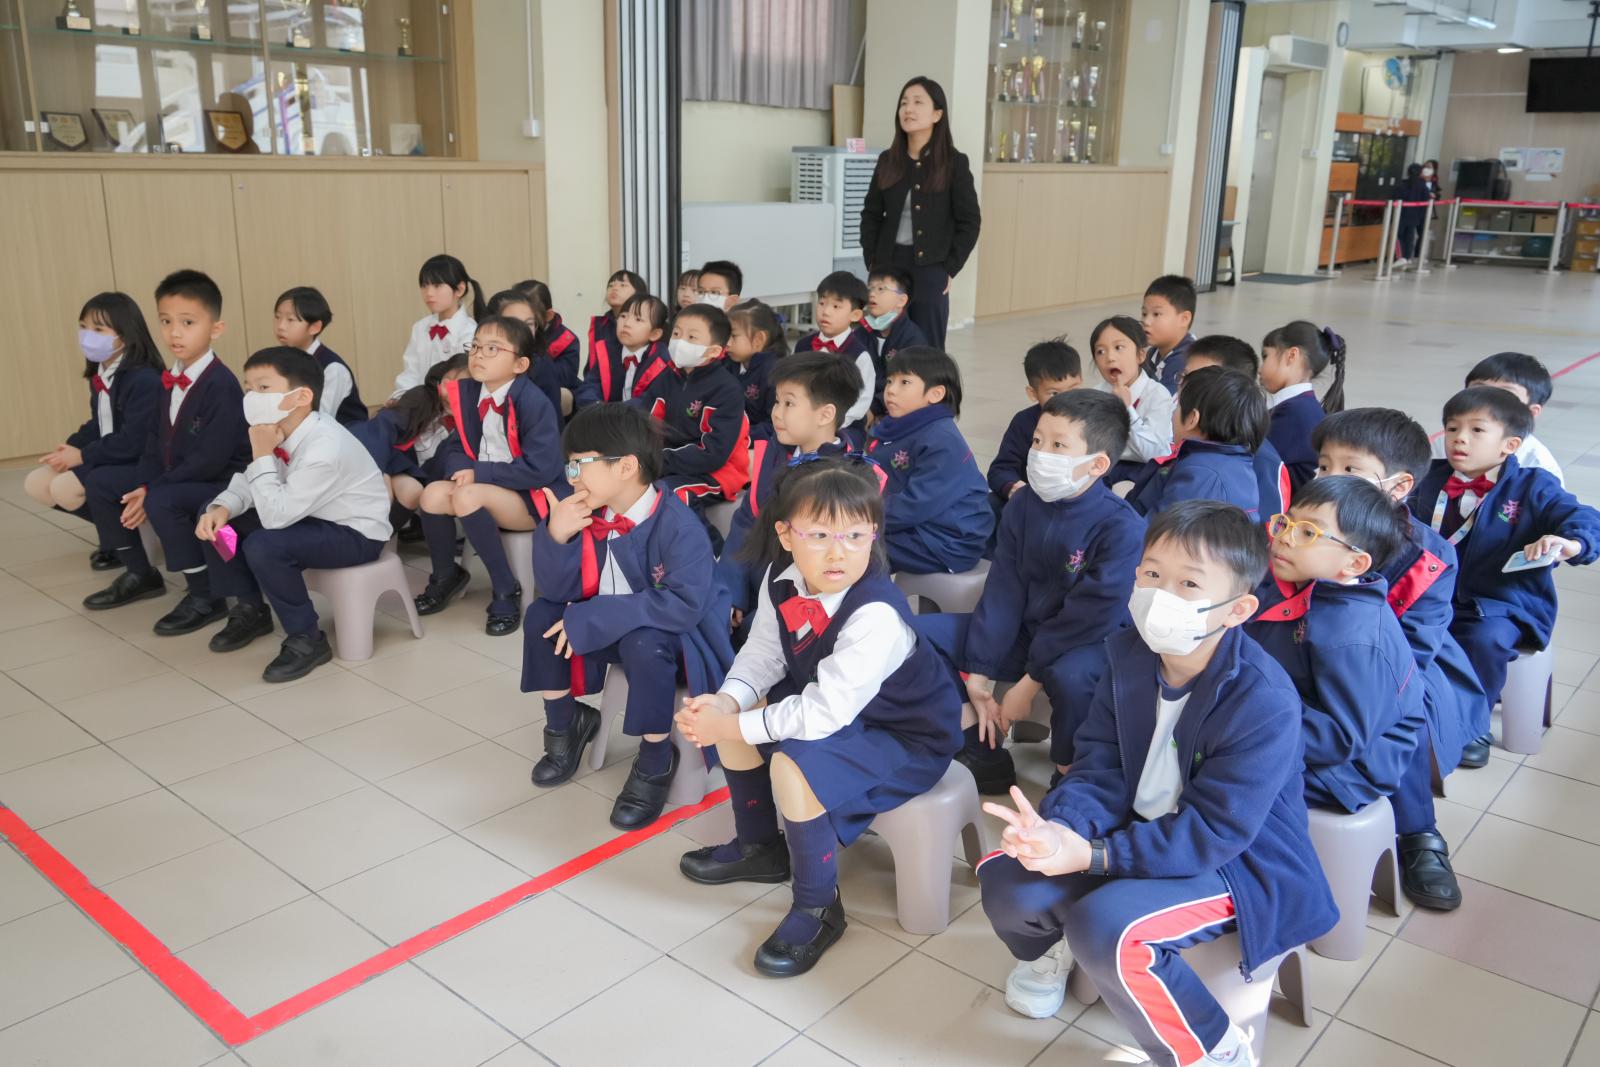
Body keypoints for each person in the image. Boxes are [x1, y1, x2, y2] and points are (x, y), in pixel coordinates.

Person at [978, 500, 1337, 1067]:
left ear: (1238, 609)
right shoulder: (1127, 654)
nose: (1160, 594)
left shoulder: (1262, 698)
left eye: (1189, 583)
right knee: (1007, 877)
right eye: (1151, 574)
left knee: (1107, 927)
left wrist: (1093, 856)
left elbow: (1215, 832)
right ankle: (1050, 949)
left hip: (1238, 863)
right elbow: (1099, 766)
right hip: (1139, 828)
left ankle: (1215, 1051)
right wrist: (1061, 831)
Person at [676, 459, 963, 977]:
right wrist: (727, 702)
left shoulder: (874, 613)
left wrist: (729, 724)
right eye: (820, 534)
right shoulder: (780, 577)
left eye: (855, 535)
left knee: (793, 765)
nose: (838, 552)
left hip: (906, 735)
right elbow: (764, 653)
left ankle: (818, 905)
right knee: (741, 715)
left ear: (873, 535)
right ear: (786, 535)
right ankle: (761, 847)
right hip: (837, 707)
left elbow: (823, 714)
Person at [522, 403, 734, 828]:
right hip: (610, 625)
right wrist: (556, 535)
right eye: (569, 467)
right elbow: (558, 591)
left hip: (674, 640)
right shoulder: (588, 510)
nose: (572, 477)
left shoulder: (679, 526)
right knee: (541, 615)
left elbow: (681, 608)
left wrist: (596, 615)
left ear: (626, 466)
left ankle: (655, 757)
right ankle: (565, 724)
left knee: (644, 642)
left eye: (580, 465)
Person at [1312, 408, 1487, 909]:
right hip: (1305, 657)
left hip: (1392, 670)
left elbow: (1413, 650)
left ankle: (1418, 833)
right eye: (1323, 466)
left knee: (1401, 712)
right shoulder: (1301, 528)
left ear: (1398, 486)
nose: (1329, 480)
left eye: (1351, 469)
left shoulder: (1428, 555)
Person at [958, 390, 1143, 791]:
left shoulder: (1121, 528)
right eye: (1038, 441)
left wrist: (1028, 683)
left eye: (1058, 445)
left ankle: (1070, 775)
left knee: (1073, 678)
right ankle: (980, 749)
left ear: (1097, 464)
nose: (1040, 454)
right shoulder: (1023, 504)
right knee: (928, 640)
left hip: (1087, 640)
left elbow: (1090, 618)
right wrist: (980, 671)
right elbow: (1004, 589)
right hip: (1027, 631)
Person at [192, 347, 391, 679]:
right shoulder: (277, 428)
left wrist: (261, 453)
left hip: (355, 533)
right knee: (216, 518)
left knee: (265, 545)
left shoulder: (324, 447)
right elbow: (253, 482)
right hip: (306, 513)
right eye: (248, 388)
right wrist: (222, 506)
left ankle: (307, 637)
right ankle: (250, 606)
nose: (252, 397)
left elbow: (275, 517)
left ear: (302, 396)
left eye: (263, 388)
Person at [1412, 386, 1600, 715]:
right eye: (1452, 428)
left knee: (1484, 640)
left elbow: (1583, 517)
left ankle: (1469, 724)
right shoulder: (1427, 477)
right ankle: (1406, 713)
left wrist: (1572, 543)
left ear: (1510, 445)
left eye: (1477, 430)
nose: (1459, 438)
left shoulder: (1533, 485)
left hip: (1499, 604)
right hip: (1429, 595)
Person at [1248, 477, 1426, 821]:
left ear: (1355, 564)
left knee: (1216, 771)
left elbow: (1343, 738)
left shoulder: (1353, 636)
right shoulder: (1301, 585)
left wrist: (1249, 721)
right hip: (1289, 720)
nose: (1285, 537)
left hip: (1348, 771)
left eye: (1308, 532)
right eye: (1287, 523)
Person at [82, 270, 250, 622]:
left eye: (187, 322)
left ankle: (207, 594)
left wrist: (152, 488)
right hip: (181, 475)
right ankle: (139, 572)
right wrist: (144, 481)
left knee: (163, 500)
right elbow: (154, 444)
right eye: (166, 321)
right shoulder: (168, 380)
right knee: (101, 482)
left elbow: (209, 459)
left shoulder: (221, 384)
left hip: (223, 481)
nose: (174, 332)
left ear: (215, 328)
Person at [414, 316, 565, 636]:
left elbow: (542, 469)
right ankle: (446, 575)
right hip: (486, 489)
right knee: (431, 494)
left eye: (493, 349)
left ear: (520, 364)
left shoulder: (533, 402)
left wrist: (478, 473)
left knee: (467, 495)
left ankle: (506, 588)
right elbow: (456, 446)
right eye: (476, 346)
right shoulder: (470, 394)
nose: (479, 355)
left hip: (533, 497)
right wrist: (460, 469)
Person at [716, 353, 864, 635]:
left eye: (789, 403)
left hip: (804, 604)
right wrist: (732, 591)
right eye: (777, 401)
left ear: (825, 414)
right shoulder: (774, 453)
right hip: (756, 584)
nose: (776, 413)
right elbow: (745, 523)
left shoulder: (847, 479)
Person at [27, 292, 164, 570]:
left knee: (66, 489)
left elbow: (134, 441)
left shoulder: (143, 379)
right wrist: (69, 448)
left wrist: (82, 456)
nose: (88, 336)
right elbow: (99, 423)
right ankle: (117, 534)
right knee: (37, 483)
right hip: (114, 452)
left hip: (139, 459)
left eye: (99, 329)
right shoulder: (102, 372)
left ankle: (129, 540)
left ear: (125, 334)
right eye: (83, 327)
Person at [860, 76, 981, 348]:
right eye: (904, 103)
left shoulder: (954, 163)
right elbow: (871, 215)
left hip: (931, 269)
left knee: (927, 349)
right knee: (883, 345)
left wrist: (949, 267)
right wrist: (873, 261)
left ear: (937, 114)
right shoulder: (888, 160)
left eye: (917, 102)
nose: (908, 109)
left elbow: (970, 221)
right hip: (888, 267)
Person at [868, 346, 993, 574]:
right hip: (917, 525)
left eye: (904, 382)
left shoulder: (942, 440)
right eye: (890, 381)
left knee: (854, 547)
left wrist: (858, 518)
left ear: (935, 394)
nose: (891, 390)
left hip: (947, 540)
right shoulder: (897, 426)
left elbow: (915, 504)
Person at [635, 303, 750, 514]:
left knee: (669, 494)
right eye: (676, 334)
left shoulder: (726, 389)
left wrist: (657, 460)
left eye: (691, 337)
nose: (680, 342)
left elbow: (714, 453)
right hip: (670, 463)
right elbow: (643, 421)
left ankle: (704, 537)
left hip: (718, 473)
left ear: (714, 351)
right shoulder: (667, 377)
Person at [1129, 367, 1268, 520]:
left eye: (1178, 406)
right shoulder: (1239, 466)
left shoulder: (1200, 475)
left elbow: (1154, 531)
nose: (1173, 414)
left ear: (1192, 419)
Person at [1180, 335, 1290, 520]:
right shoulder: (1185, 433)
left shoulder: (1263, 462)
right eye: (1184, 377)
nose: (1185, 388)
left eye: (1199, 381)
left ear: (1234, 389)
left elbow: (1265, 530)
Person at [985, 337, 1082, 524]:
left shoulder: (1091, 420)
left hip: (1074, 507)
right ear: (1033, 393)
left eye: (1073, 390)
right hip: (1030, 502)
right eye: (1054, 393)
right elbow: (1000, 470)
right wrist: (1013, 487)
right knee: (987, 506)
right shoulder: (1024, 422)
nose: (1066, 400)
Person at [1259, 321, 1346, 492]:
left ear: (1291, 355)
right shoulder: (1301, 407)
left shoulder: (1294, 414)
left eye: (1265, 356)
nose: (1260, 370)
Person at [1457, 351, 1564, 485]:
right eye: (1478, 391)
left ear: (1531, 412)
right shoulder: (1448, 441)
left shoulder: (1538, 467)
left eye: (1506, 396)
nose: (1487, 403)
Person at [793, 271, 875, 438]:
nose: (826, 312)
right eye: (822, 303)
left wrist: (829, 423)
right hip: (804, 420)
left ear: (855, 315)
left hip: (844, 427)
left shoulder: (859, 355)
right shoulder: (803, 345)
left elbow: (861, 402)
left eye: (836, 306)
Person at [1091, 315, 1173, 479]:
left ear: (1140, 356)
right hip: (1105, 469)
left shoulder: (1158, 395)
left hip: (1146, 472)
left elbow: (1154, 453)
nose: (1110, 357)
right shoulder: (1095, 395)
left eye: (1119, 347)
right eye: (1100, 351)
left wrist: (1127, 409)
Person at [272, 286, 366, 426]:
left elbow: (320, 419)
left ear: (314, 327)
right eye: (277, 317)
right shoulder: (278, 361)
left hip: (340, 435)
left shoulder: (332, 368)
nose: (280, 326)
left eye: (290, 320)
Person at [392, 254, 484, 397]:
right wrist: (400, 398)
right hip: (420, 403)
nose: (429, 293)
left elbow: (464, 380)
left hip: (454, 403)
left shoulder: (471, 331)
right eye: (424, 286)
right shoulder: (420, 328)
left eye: (437, 286)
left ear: (459, 289)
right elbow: (411, 373)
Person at [576, 292, 671, 408]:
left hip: (641, 418)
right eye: (623, 316)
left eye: (638, 319)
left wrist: (617, 411)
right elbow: (590, 386)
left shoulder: (661, 361)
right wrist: (595, 406)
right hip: (605, 415)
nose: (627, 323)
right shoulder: (607, 352)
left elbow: (651, 399)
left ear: (654, 334)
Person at [485, 288, 564, 422]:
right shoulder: (481, 358)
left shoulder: (540, 365)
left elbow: (547, 423)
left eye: (529, 323)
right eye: (513, 323)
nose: (523, 330)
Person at [858, 266, 928, 417]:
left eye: (881, 289)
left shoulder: (913, 339)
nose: (872, 294)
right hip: (860, 404)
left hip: (897, 411)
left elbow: (906, 386)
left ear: (901, 300)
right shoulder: (860, 332)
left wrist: (873, 410)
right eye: (870, 288)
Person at [724, 299, 787, 438]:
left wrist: (740, 435)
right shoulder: (728, 363)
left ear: (759, 339)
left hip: (756, 442)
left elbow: (775, 425)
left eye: (733, 336)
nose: (727, 342)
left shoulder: (774, 373)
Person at [514, 278, 583, 400]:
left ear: (548, 315)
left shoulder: (566, 340)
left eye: (528, 316)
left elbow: (562, 379)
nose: (518, 321)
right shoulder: (507, 334)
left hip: (549, 393)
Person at [1141, 274, 1197, 393]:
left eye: (1156, 314)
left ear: (1184, 319)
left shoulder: (1184, 361)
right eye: (1144, 314)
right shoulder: (1154, 352)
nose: (1146, 321)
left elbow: (1162, 402)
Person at [588, 269, 647, 371]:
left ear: (639, 293)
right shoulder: (600, 325)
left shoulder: (650, 324)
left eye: (622, 285)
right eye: (610, 285)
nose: (614, 288)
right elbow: (592, 366)